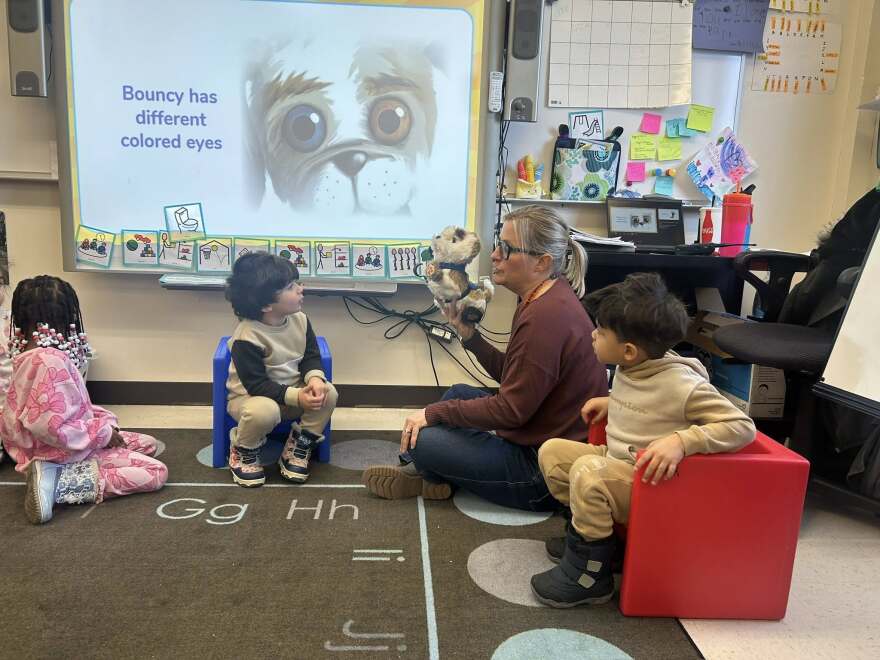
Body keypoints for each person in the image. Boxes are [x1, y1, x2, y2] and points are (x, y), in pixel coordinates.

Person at [530, 273, 756, 608]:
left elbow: (741, 426)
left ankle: (590, 575)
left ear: (629, 350)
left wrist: (682, 441)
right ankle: (596, 540)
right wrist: (611, 403)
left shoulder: (682, 385)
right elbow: (648, 403)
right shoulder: (633, 367)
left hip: (651, 482)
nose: (592, 335)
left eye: (600, 332)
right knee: (553, 453)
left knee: (587, 473)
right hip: (618, 461)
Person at [362, 206, 608, 510]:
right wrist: (470, 336)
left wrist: (434, 413)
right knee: (458, 394)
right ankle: (425, 473)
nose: (494, 255)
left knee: (427, 436)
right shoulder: (544, 297)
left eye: (506, 248)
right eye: (498, 244)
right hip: (534, 436)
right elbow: (515, 377)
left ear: (542, 262)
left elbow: (511, 411)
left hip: (542, 474)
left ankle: (424, 470)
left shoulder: (546, 317)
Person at [0, 276, 168, 524]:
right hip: (58, 452)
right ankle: (60, 483)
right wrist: (102, 434)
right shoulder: (48, 360)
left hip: (57, 444)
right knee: (155, 471)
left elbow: (75, 407)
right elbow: (53, 428)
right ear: (65, 316)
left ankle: (49, 474)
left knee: (147, 445)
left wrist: (105, 426)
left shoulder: (29, 353)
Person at [224, 252, 337, 487]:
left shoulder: (300, 320)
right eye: (290, 287)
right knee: (263, 411)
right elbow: (257, 385)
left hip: (293, 394)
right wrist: (298, 397)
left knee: (329, 393)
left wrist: (315, 379)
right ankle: (243, 450)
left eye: (297, 282)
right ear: (266, 305)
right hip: (251, 399)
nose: (300, 289)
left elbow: (310, 356)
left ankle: (299, 445)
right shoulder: (246, 337)